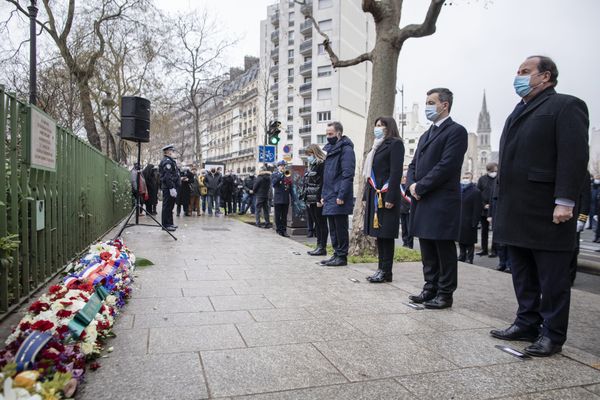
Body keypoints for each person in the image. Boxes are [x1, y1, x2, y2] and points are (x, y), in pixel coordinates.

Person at [490, 55, 589, 357]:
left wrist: (565, 200)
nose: (518, 76)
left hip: (547, 209)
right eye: (517, 71)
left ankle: (553, 333)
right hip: (516, 208)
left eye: (525, 72)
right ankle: (526, 322)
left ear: (545, 77)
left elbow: (573, 157)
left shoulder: (566, 106)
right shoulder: (517, 111)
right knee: (522, 272)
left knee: (552, 277)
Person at [406, 88, 468, 309]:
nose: (427, 107)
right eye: (426, 102)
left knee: (443, 247)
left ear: (445, 105)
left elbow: (446, 166)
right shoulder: (426, 134)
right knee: (427, 246)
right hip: (422, 198)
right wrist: (411, 184)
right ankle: (429, 287)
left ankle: (445, 293)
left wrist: (420, 186)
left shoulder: (456, 132)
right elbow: (413, 164)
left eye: (431, 102)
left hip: (441, 200)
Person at [363, 117, 404, 283]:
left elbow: (396, 172)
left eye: (381, 125)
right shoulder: (375, 146)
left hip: (386, 195)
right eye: (376, 125)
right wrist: (367, 196)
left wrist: (392, 196)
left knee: (386, 235)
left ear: (389, 127)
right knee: (379, 235)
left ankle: (386, 271)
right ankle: (381, 269)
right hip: (375, 194)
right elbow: (369, 174)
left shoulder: (395, 144)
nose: (377, 128)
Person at [320, 121, 355, 267]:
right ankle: (336, 254)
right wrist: (323, 194)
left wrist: (341, 195)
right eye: (327, 134)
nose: (328, 137)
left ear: (339, 134)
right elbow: (327, 176)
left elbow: (348, 174)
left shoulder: (346, 150)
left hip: (338, 195)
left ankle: (342, 256)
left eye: (331, 134)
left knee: (340, 227)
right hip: (329, 195)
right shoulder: (331, 150)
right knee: (333, 227)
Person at [301, 144, 328, 256]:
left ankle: (322, 247)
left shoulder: (321, 164)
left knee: (321, 223)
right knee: (316, 223)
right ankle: (318, 246)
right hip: (310, 198)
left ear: (315, 153)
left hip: (317, 198)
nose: (308, 157)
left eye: (309, 154)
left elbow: (323, 182)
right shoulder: (312, 165)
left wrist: (320, 198)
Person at [570, 171, 590, 285]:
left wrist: (581, 219)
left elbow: (586, 197)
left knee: (573, 249)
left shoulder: (584, 173)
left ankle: (570, 276)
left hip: (575, 216)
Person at [457, 172, 482, 264]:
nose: (465, 179)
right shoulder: (459, 190)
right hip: (460, 219)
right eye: (464, 177)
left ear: (471, 179)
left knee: (469, 241)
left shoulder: (476, 191)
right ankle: (462, 255)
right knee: (460, 240)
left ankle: (470, 258)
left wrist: (475, 222)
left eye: (467, 177)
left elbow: (477, 208)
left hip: (470, 220)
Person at [476, 162, 498, 257]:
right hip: (484, 208)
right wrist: (484, 205)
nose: (494, 172)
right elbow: (478, 194)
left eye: (495, 171)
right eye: (492, 171)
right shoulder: (482, 179)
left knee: (495, 231)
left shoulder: (498, 179)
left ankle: (494, 250)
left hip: (495, 208)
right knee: (484, 230)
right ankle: (484, 249)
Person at [158, 144, 180, 231]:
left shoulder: (171, 161)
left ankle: (170, 223)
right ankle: (165, 225)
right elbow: (167, 176)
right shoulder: (167, 161)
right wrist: (171, 188)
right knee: (167, 206)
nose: (174, 152)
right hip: (168, 187)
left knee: (170, 207)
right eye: (172, 151)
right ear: (168, 152)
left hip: (171, 186)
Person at [272, 160, 293, 236]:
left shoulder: (287, 173)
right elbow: (274, 184)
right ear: (278, 167)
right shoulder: (275, 174)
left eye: (284, 165)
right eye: (281, 165)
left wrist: (292, 196)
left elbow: (290, 185)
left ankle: (284, 230)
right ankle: (278, 229)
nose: (283, 167)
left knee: (284, 216)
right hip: (278, 198)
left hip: (285, 198)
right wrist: (280, 175)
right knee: (278, 216)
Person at [399, 175, 413, 249]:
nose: (404, 179)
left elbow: (412, 199)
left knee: (409, 227)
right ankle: (405, 243)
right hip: (402, 210)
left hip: (409, 210)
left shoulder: (409, 187)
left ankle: (410, 244)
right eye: (403, 177)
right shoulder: (399, 187)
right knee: (404, 228)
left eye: (405, 177)